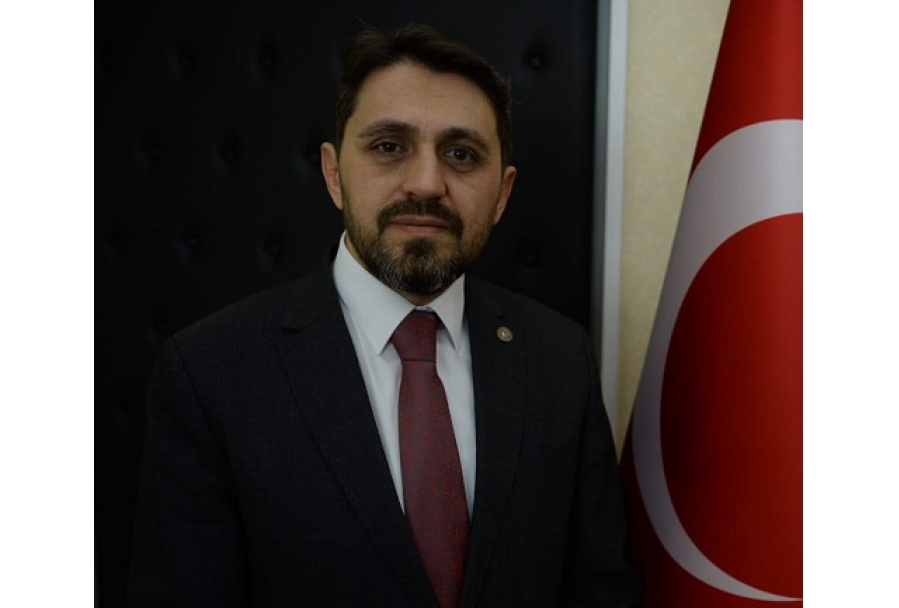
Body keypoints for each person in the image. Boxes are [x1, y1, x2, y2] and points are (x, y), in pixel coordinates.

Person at [128, 23, 640, 608]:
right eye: (389, 146)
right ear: (333, 174)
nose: (426, 183)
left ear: (501, 194)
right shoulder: (211, 373)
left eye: (461, 154)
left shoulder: (559, 360)